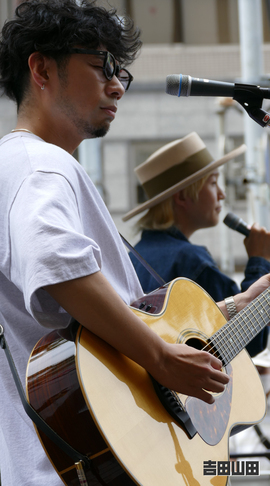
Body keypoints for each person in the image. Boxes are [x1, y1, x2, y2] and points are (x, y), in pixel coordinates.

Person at [0, 2, 269, 485]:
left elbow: (121, 320)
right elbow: (53, 260)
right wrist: (162, 359)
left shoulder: (27, 167)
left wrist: (234, 309)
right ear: (41, 69)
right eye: (101, 66)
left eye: (120, 70)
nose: (118, 84)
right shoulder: (42, 166)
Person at [123, 132, 270, 357]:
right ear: (182, 197)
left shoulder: (133, 257)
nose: (221, 194)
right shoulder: (191, 260)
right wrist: (259, 260)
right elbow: (251, 340)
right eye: (212, 183)